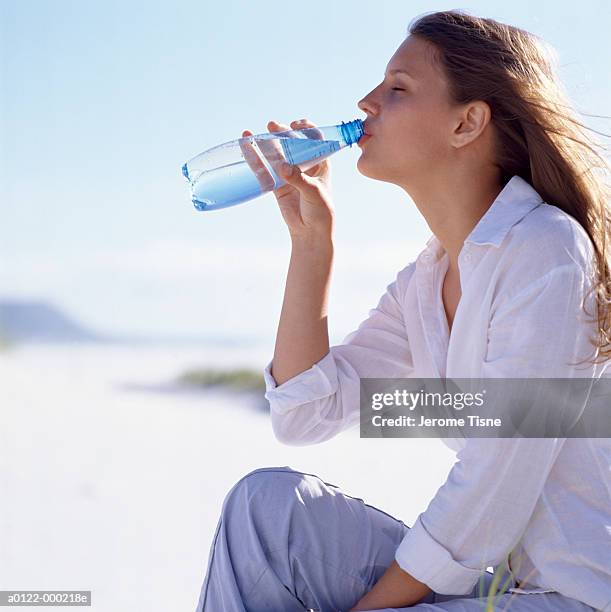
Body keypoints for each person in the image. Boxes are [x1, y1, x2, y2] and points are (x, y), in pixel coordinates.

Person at [195, 9, 611, 612]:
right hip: (492, 586)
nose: (366, 102)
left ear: (467, 123)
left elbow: (495, 483)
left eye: (397, 88)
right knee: (266, 511)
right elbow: (305, 414)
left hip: (574, 597)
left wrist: (371, 608)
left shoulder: (546, 248)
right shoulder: (429, 280)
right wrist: (313, 244)